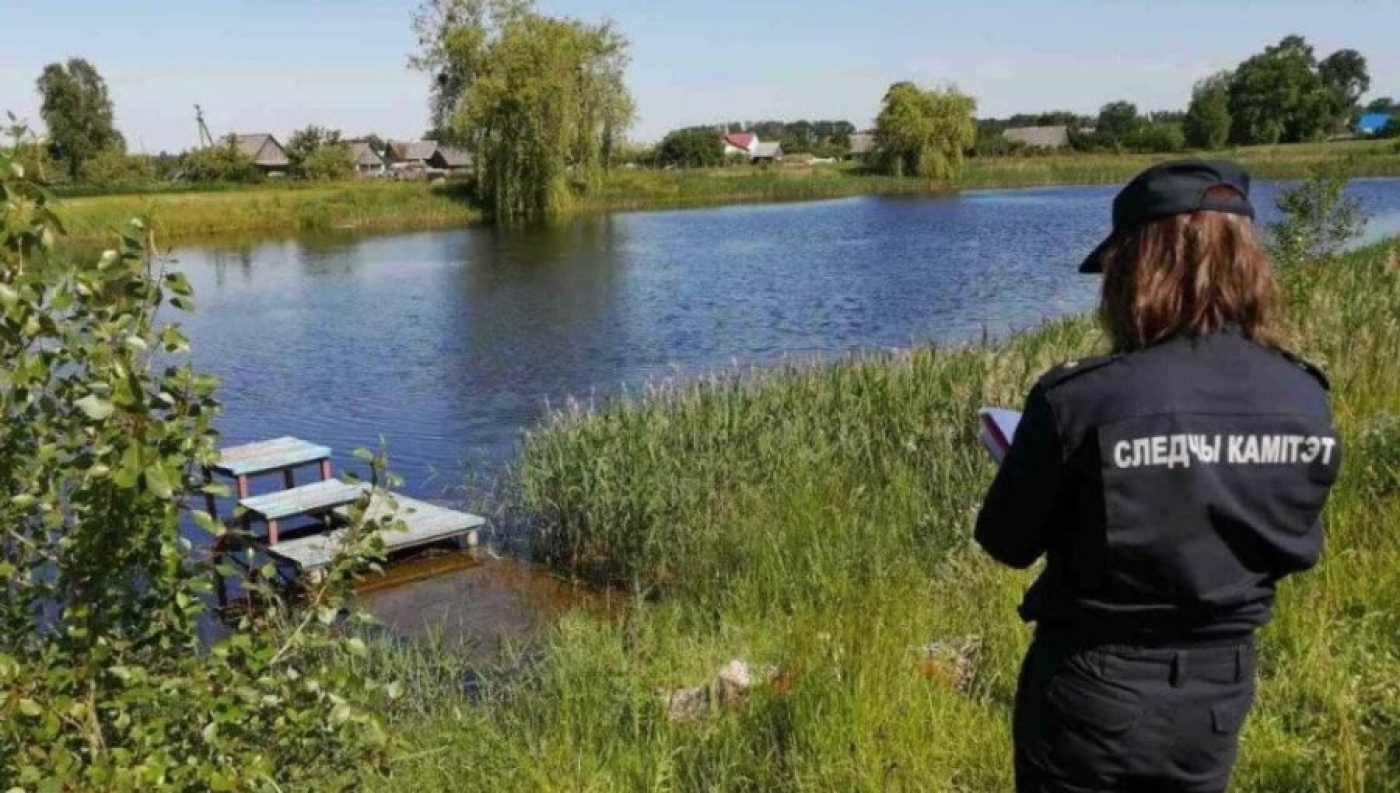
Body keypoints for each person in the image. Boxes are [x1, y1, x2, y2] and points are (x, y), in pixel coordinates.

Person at [975, 160, 1341, 793]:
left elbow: (1006, 542)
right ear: (1248, 263)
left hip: (1094, 685)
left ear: (1135, 269)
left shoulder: (1082, 399)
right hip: (1218, 690)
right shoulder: (1302, 395)